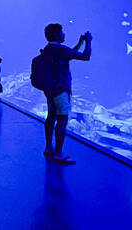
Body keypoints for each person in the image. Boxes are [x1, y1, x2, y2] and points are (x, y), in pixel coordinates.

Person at [31, 24, 91, 165]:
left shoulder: (48, 50)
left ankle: (48, 147)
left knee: (51, 117)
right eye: (62, 32)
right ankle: (58, 153)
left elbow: (70, 53)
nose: (64, 34)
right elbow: (85, 56)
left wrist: (80, 42)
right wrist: (88, 41)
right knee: (62, 120)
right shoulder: (60, 49)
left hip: (50, 91)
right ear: (57, 35)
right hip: (61, 90)